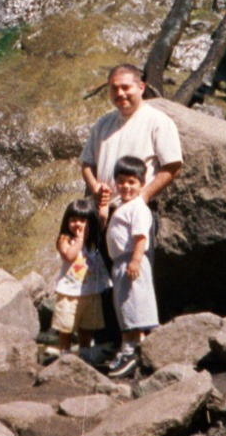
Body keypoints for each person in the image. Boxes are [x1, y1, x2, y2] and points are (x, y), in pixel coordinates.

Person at [81, 63, 183, 214]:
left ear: (141, 87)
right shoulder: (103, 123)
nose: (120, 93)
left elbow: (173, 166)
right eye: (114, 88)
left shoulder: (158, 121)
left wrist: (144, 196)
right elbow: (86, 163)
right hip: (102, 211)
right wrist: (95, 187)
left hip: (137, 212)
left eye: (125, 87)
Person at [101, 155, 158, 376]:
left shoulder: (138, 207)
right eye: (122, 181)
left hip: (131, 261)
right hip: (121, 263)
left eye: (132, 182)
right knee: (124, 306)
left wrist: (135, 261)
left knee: (133, 304)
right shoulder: (122, 206)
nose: (126, 186)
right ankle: (130, 348)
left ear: (142, 184)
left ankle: (131, 352)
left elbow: (141, 237)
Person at [52, 198, 110, 353]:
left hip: (90, 292)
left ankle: (85, 353)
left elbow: (103, 220)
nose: (77, 224)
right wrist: (79, 239)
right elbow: (69, 256)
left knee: (87, 328)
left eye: (83, 220)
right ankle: (64, 352)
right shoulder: (64, 239)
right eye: (73, 220)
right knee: (66, 327)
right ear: (66, 221)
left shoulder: (93, 240)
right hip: (69, 293)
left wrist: (103, 205)